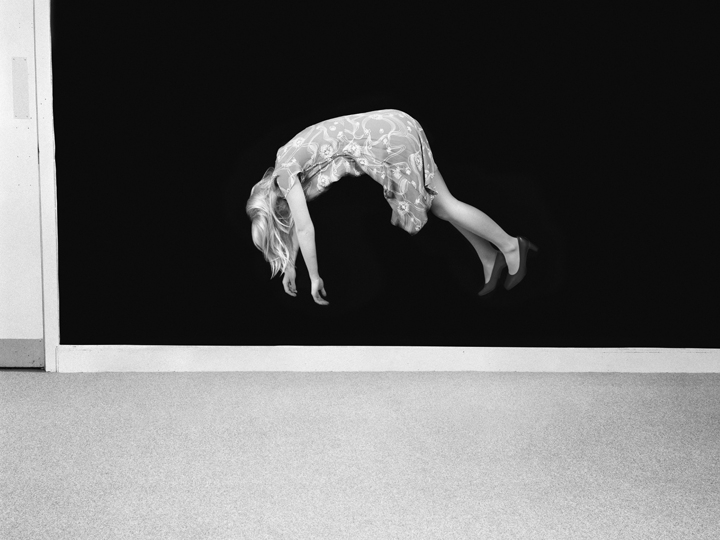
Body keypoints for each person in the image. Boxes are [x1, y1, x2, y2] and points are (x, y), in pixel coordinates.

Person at [246, 109, 537, 305]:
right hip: (394, 124)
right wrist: (290, 266)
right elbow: (296, 224)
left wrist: (313, 277)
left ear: (273, 214)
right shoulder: (282, 160)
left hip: (388, 138)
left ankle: (511, 246)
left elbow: (304, 227)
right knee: (443, 205)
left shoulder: (284, 176)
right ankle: (489, 257)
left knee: (444, 205)